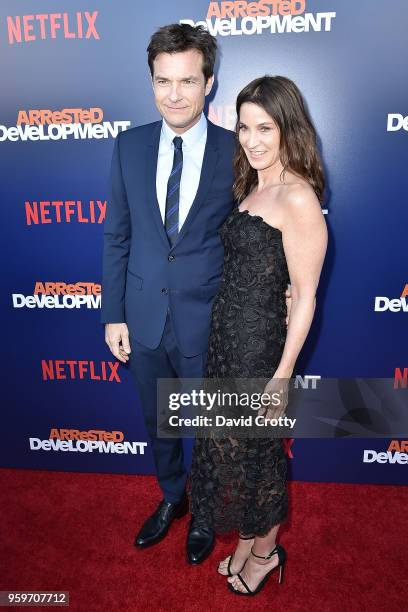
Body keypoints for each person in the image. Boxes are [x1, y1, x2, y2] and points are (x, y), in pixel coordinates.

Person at [101, 24, 292, 564]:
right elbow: (117, 234)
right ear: (152, 83)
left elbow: (262, 227)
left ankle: (205, 515)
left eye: (188, 80)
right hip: (141, 315)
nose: (175, 94)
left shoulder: (238, 152)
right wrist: (112, 313)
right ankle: (171, 498)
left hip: (209, 321)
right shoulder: (129, 145)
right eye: (163, 81)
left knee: (212, 432)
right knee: (155, 420)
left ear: (209, 83)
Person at [189, 75, 328, 595]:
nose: (251, 139)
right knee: (235, 451)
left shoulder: (298, 198)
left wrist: (283, 375)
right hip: (227, 342)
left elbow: (306, 294)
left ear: (288, 128)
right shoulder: (252, 186)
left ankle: (266, 553)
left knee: (260, 453)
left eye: (264, 128)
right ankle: (247, 542)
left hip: (261, 351)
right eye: (244, 127)